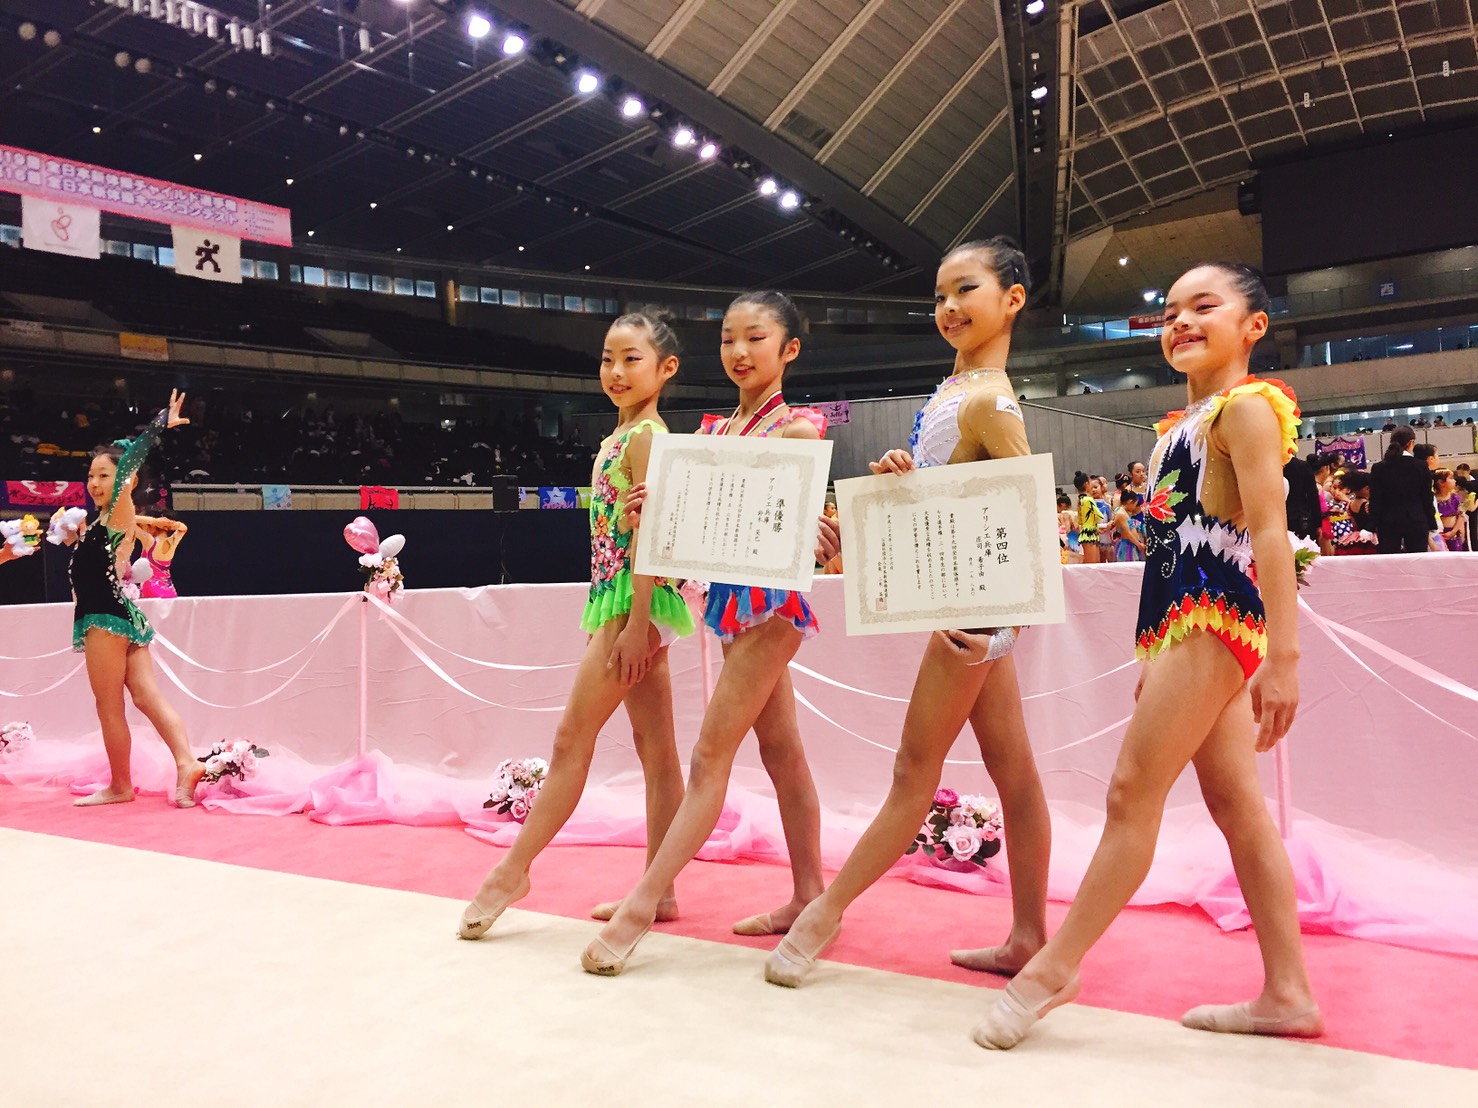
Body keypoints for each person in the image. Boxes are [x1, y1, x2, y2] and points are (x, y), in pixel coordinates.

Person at [973, 263, 1320, 1049]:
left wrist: (1285, 658)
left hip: (1216, 622)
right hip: (1188, 629)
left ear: (1254, 326)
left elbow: (1271, 532)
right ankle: (1288, 993)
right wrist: (1155, 656)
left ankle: (1055, 968)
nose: (1181, 321)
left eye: (1204, 306)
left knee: (1132, 792)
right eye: (1169, 313)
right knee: (1238, 809)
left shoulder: (1248, 410)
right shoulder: (1180, 427)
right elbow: (1172, 551)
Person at [757, 237, 1052, 988]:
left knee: (911, 772)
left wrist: (1003, 632)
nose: (948, 307)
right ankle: (1027, 936)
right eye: (940, 295)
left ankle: (822, 917)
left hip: (972, 616)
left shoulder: (991, 399)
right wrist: (905, 473)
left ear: (1012, 299)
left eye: (966, 290)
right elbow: (958, 490)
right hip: (965, 607)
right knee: (1015, 774)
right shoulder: (957, 388)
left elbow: (1027, 521)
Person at [580, 290, 831, 974]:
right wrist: (651, 510)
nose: (739, 352)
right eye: (728, 339)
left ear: (789, 350)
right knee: (783, 752)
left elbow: (800, 535)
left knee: (708, 755)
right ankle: (809, 895)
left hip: (772, 611)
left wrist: (817, 530)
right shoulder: (715, 434)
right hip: (729, 608)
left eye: (756, 338)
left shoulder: (797, 431)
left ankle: (642, 906)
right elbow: (697, 532)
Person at [456, 310, 695, 940]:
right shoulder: (621, 436)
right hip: (620, 602)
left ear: (666, 368)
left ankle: (512, 871)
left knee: (570, 741)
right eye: (608, 359)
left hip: (634, 605)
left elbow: (653, 537)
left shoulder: (647, 437)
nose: (616, 371)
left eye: (632, 359)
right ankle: (661, 890)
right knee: (657, 750)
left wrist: (636, 624)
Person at [65, 391, 207, 808]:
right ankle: (186, 762)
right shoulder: (101, 522)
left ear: (125, 480)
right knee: (146, 697)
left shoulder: (118, 511)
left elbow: (129, 465)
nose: (94, 483)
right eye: (91, 476)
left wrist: (159, 424)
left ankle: (120, 786)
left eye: (104, 475)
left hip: (104, 618)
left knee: (109, 706)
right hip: (122, 614)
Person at [1368, 429, 1436, 553]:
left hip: (1388, 521)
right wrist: (1432, 523)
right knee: (1417, 560)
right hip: (1416, 520)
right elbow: (1427, 498)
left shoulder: (1379, 467)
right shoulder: (1421, 466)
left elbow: (1376, 499)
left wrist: (1370, 526)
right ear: (1411, 443)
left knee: (1390, 561)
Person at [134, 510, 188, 598]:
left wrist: (153, 521)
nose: (143, 530)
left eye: (143, 527)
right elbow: (183, 528)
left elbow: (127, 521)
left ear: (152, 526)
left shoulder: (149, 541)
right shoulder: (173, 541)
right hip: (169, 590)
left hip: (151, 589)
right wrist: (174, 524)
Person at [1435, 470, 1469, 551]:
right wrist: (1439, 534)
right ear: (1441, 482)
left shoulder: (1455, 497)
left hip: (1453, 534)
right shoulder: (1433, 499)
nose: (1454, 481)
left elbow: (1461, 516)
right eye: (1451, 478)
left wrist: (1453, 531)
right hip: (1439, 534)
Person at [1075, 471, 1104, 563]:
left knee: (1093, 563)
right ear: (1086, 484)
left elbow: (1080, 520)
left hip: (1087, 531)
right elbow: (1099, 516)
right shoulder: (1088, 499)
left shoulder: (1079, 500)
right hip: (1090, 533)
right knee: (1092, 564)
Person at [1112, 490, 1147, 562]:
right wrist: (1138, 544)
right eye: (1135, 504)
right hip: (1127, 545)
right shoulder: (1121, 513)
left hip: (1132, 543)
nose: (1134, 507)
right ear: (1130, 502)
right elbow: (1127, 533)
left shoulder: (1123, 512)